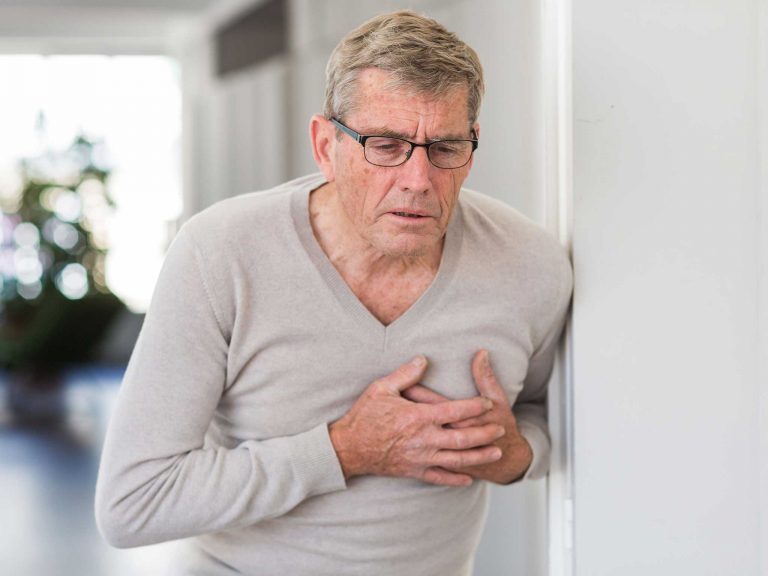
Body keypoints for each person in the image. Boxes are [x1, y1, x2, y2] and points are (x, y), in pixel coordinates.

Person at [95, 9, 573, 576]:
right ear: (326, 146)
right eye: (385, 145)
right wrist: (344, 449)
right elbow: (132, 503)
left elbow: (550, 418)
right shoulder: (220, 253)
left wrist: (518, 454)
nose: (418, 180)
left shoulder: (531, 266)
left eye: (445, 148)